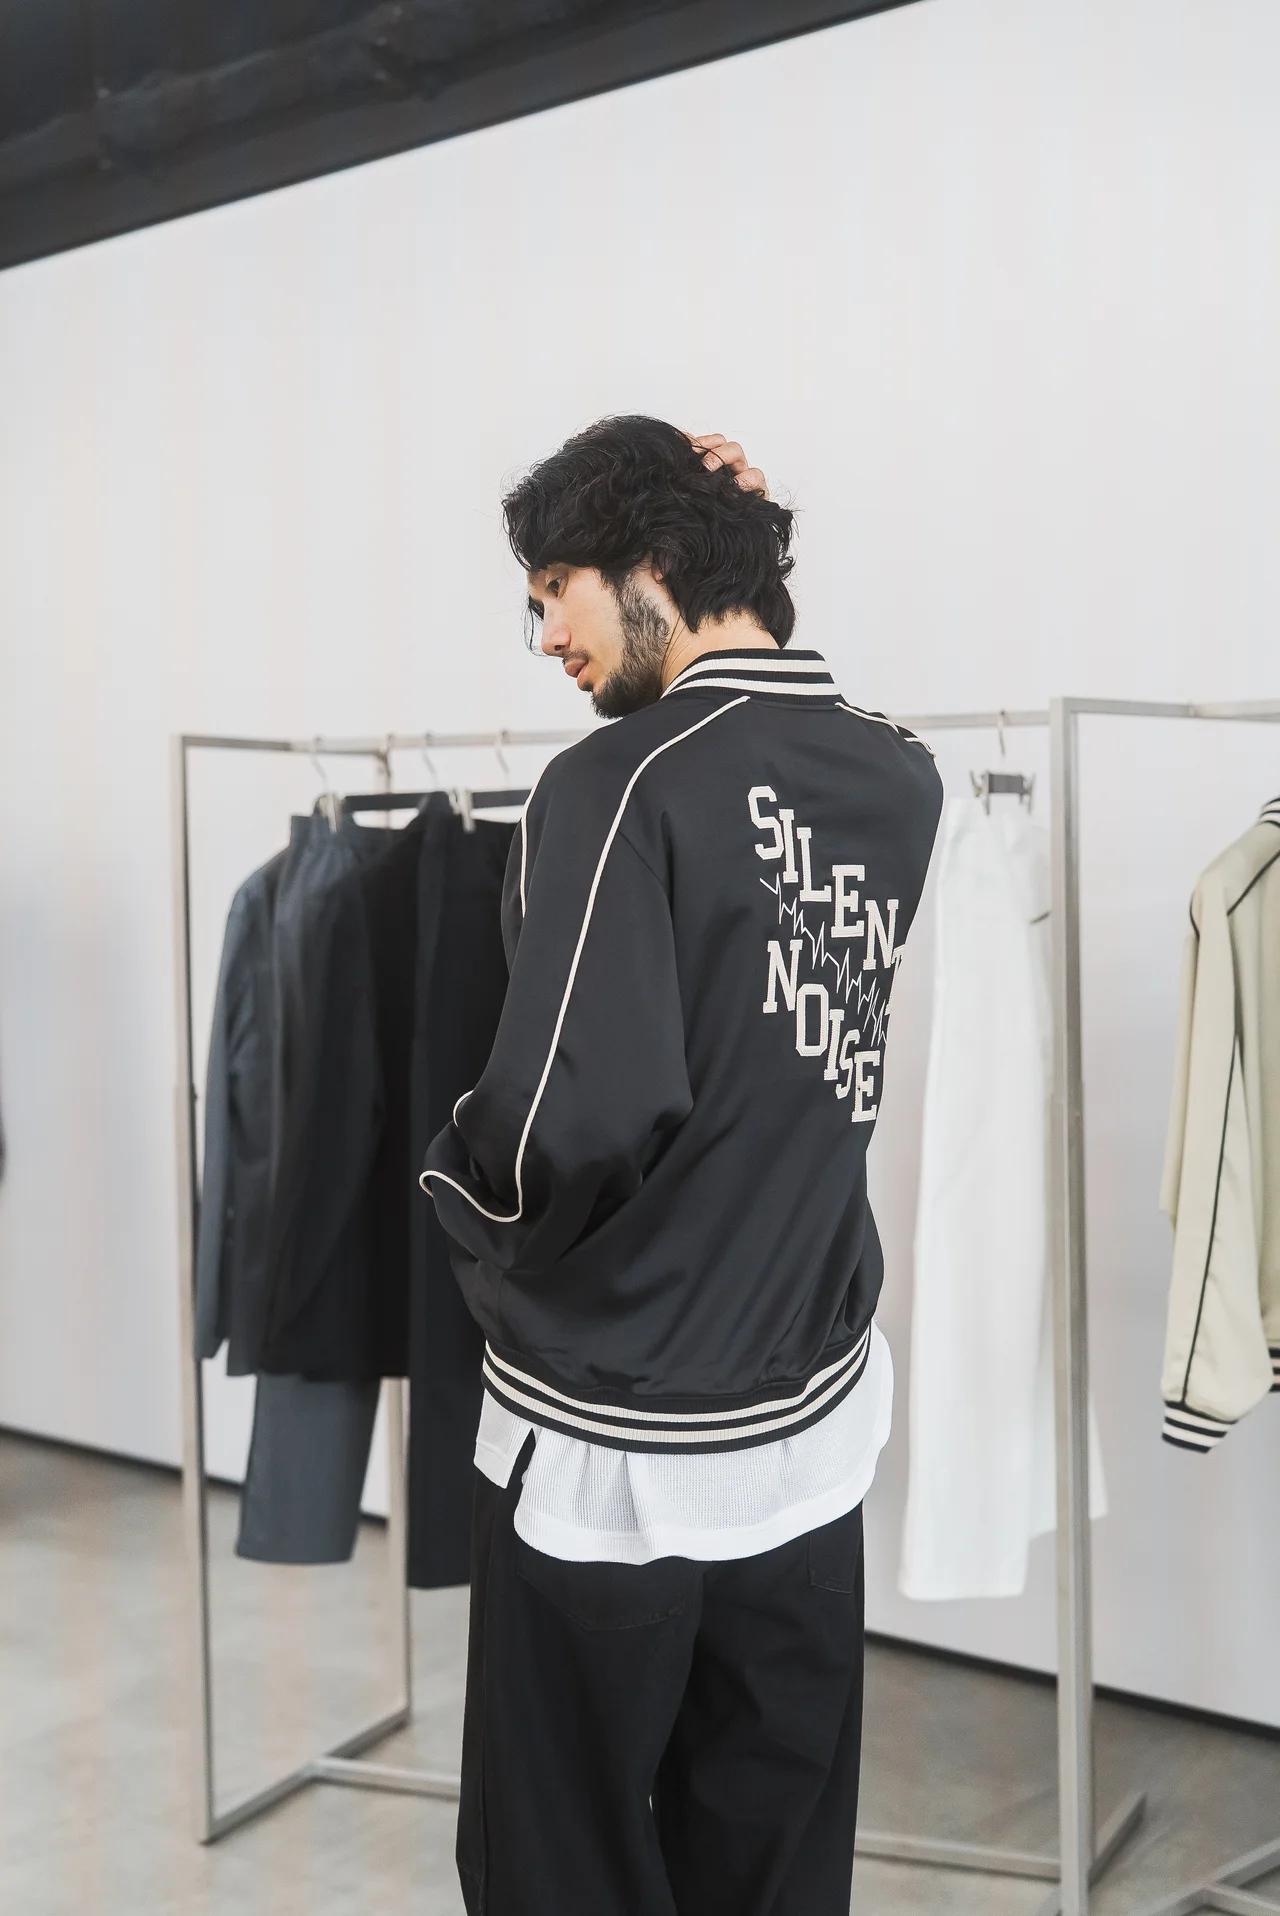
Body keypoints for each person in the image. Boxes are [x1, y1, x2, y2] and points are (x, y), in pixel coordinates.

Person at [421, 416, 943, 1916]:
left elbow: (557, 1131)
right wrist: (740, 545)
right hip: (806, 1425)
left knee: (562, 1862)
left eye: (555, 589)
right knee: (772, 1860)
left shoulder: (616, 787)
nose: (545, 636)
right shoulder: (899, 778)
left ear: (648, 562)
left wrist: (456, 1205)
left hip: (617, 1439)